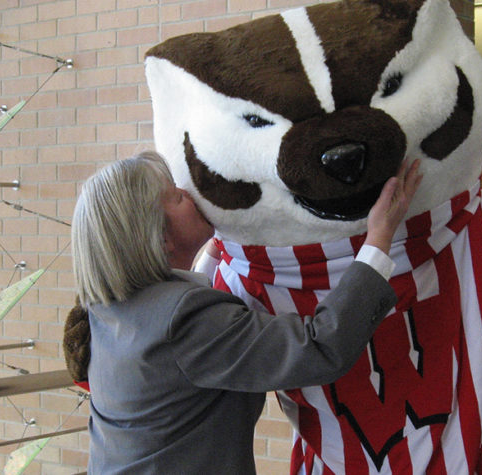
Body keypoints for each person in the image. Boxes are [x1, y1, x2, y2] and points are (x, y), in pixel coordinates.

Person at [67, 150, 422, 474]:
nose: (189, 195)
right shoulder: (183, 321)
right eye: (176, 197)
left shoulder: (110, 309)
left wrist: (217, 251)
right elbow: (320, 347)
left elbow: (179, 337)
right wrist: (379, 239)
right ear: (160, 238)